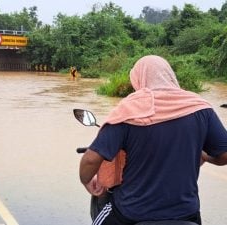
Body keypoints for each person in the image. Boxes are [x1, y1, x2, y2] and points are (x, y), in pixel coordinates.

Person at [79, 55, 227, 225]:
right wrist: (205, 156)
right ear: (170, 76)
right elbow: (224, 155)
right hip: (186, 214)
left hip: (131, 214)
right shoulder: (201, 107)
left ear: (138, 79)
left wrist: (87, 181)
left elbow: (90, 160)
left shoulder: (128, 111)